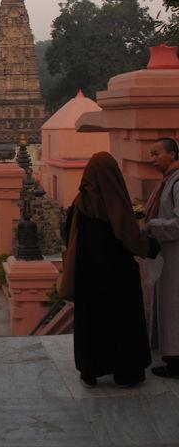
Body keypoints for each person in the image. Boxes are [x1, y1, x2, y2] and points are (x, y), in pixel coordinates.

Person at [60, 152, 159, 388]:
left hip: (87, 274)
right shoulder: (115, 202)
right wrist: (149, 247)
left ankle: (90, 370)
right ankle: (126, 372)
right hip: (118, 273)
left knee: (91, 322)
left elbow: (67, 235)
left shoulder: (80, 203)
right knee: (121, 321)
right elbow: (128, 234)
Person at [145, 138, 179, 378]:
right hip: (167, 256)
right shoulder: (167, 182)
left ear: (172, 154)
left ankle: (175, 361)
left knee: (174, 308)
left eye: (157, 153)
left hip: (175, 254)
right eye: (151, 154)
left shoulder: (177, 182)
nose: (152, 159)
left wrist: (150, 226)